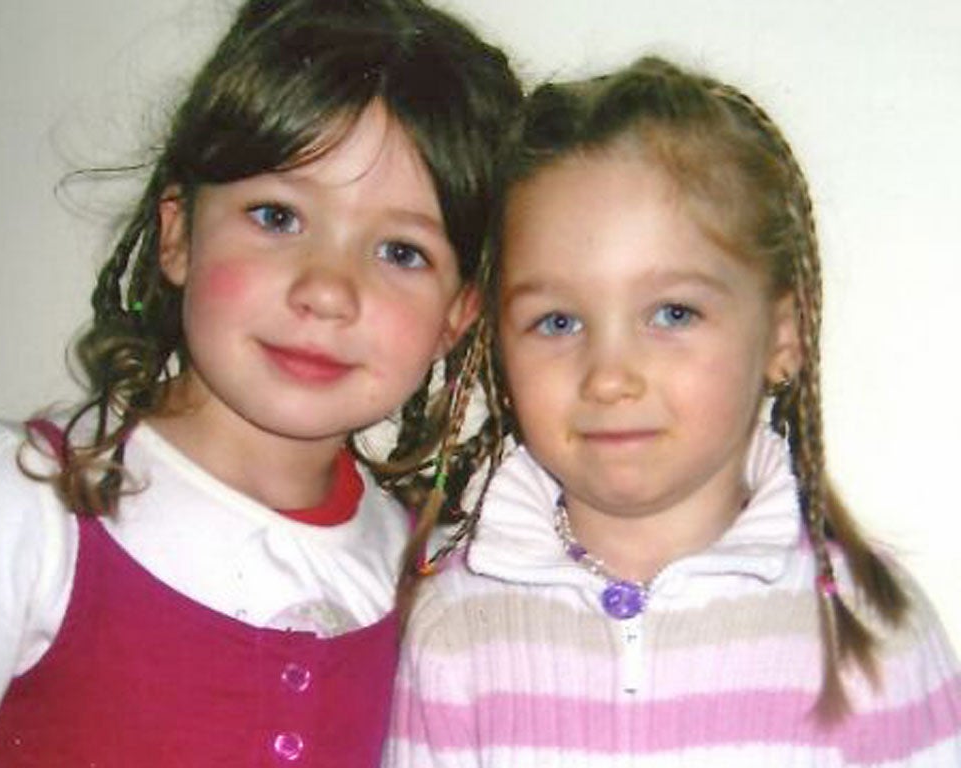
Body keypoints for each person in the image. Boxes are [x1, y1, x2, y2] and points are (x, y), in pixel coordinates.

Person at [0, 1, 521, 765]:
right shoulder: (22, 504)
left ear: (457, 315)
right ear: (179, 233)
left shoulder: (427, 583)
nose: (327, 290)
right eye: (277, 216)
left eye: (401, 253)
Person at [384, 56, 961, 766]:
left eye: (673, 313)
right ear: (502, 349)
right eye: (558, 321)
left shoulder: (868, 629)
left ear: (783, 336)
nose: (610, 377)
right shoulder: (455, 629)